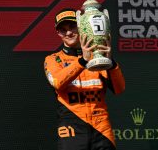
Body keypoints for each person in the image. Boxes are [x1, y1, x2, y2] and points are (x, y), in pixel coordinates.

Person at [44, 8, 125, 150]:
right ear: (58, 33)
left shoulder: (98, 57)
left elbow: (119, 89)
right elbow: (57, 82)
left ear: (81, 26)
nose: (68, 33)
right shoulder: (53, 60)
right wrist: (82, 61)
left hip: (101, 127)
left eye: (72, 27)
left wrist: (110, 62)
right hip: (72, 126)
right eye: (63, 30)